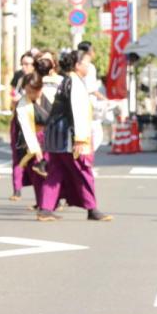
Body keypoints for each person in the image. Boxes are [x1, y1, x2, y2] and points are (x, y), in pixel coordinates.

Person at [40, 51, 112, 222]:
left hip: (55, 134)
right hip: (67, 136)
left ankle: (45, 208)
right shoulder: (75, 83)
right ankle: (92, 208)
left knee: (55, 173)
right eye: (86, 63)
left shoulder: (67, 80)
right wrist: (80, 139)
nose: (88, 66)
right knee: (83, 172)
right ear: (77, 65)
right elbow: (78, 111)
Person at [12, 73, 52, 213]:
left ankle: (51, 202)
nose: (29, 94)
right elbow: (27, 130)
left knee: (54, 172)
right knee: (38, 175)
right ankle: (43, 205)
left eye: (32, 91)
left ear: (40, 88)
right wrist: (37, 150)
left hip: (51, 138)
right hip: (32, 142)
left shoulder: (50, 96)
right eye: (27, 91)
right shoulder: (23, 105)